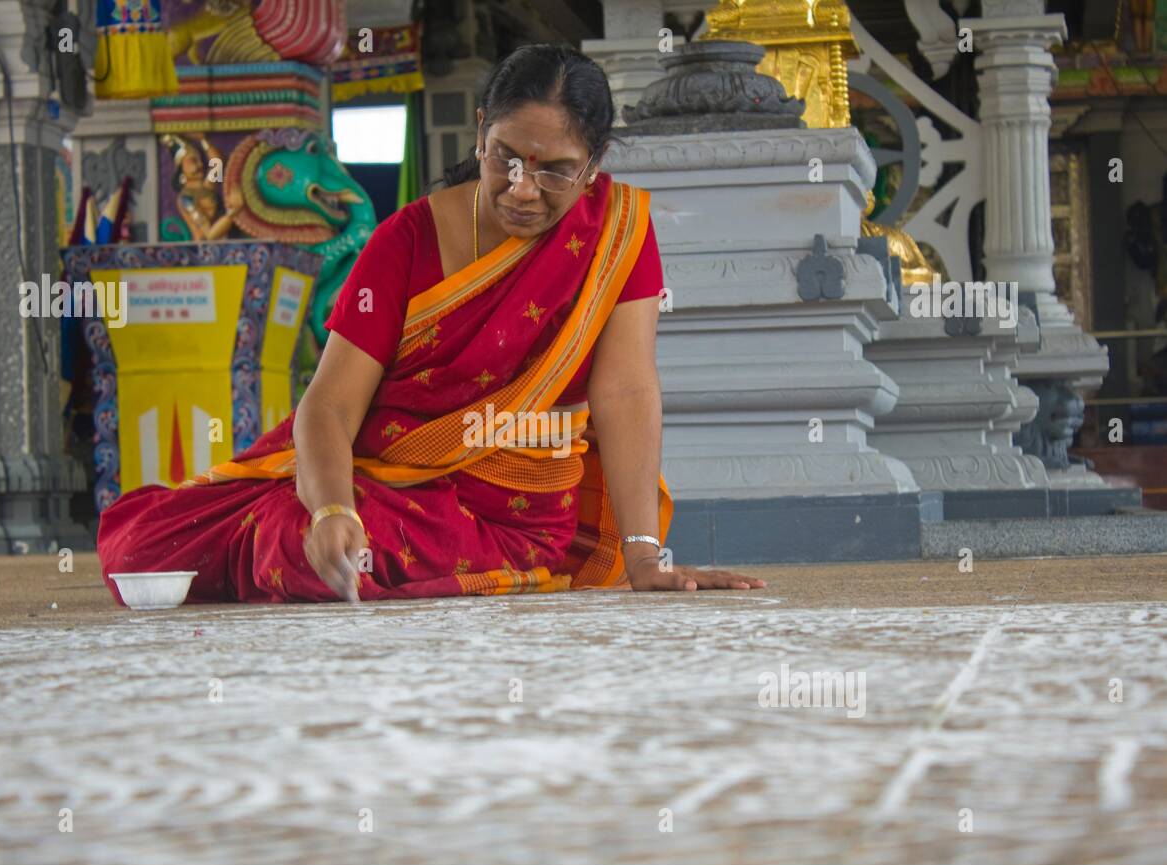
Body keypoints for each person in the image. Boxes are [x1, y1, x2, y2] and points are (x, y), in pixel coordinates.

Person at [98, 44, 766, 602]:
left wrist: (646, 557)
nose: (523, 187)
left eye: (557, 171)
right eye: (506, 156)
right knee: (172, 543)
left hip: (520, 516)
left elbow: (624, 391)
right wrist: (333, 509)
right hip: (389, 485)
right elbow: (328, 406)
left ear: (593, 169)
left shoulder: (618, 232)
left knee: (313, 556)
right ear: (480, 133)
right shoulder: (406, 239)